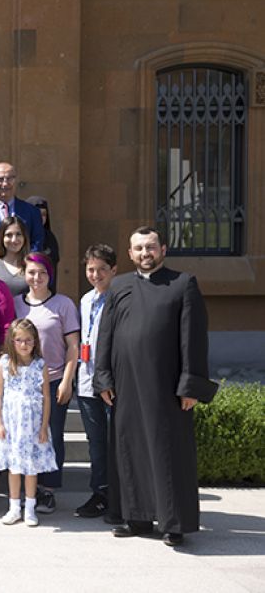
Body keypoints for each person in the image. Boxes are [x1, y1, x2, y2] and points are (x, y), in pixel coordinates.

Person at [94, 226, 218, 547]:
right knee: (129, 449)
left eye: (150, 247)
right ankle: (135, 518)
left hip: (166, 386)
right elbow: (105, 334)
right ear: (130, 253)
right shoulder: (119, 285)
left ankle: (173, 523)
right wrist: (103, 377)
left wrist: (190, 385)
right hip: (125, 385)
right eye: (138, 248)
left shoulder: (183, 283)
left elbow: (193, 338)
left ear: (163, 249)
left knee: (168, 452)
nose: (145, 253)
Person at [13, 252, 79, 515]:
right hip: (22, 384)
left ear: (50, 275)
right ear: (24, 274)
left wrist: (67, 380)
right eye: (31, 272)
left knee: (51, 435)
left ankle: (47, 490)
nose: (37, 277)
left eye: (42, 273)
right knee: (25, 436)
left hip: (53, 380)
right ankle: (26, 490)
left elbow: (73, 346)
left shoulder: (63, 304)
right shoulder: (16, 304)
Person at [0, 319, 57, 527]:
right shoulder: (5, 363)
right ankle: (14, 507)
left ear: (35, 341)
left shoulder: (40, 365)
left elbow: (46, 398)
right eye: (19, 340)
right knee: (14, 468)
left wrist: (43, 426)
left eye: (28, 340)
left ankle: (30, 508)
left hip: (33, 425)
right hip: (11, 426)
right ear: (12, 341)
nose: (24, 344)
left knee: (31, 468)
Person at [73, 243, 117, 519]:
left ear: (114, 270)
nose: (96, 274)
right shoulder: (86, 299)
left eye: (102, 269)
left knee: (115, 441)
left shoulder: (121, 298)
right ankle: (100, 493)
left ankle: (119, 495)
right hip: (87, 380)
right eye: (91, 269)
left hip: (110, 384)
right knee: (96, 442)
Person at [0, 216, 30, 296]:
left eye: (18, 234)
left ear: (24, 237)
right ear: (1, 238)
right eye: (9, 235)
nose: (14, 240)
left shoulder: (32, 265)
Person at [27, 196, 60, 274]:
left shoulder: (50, 238)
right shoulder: (20, 237)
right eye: (37, 214)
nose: (41, 218)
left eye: (44, 214)